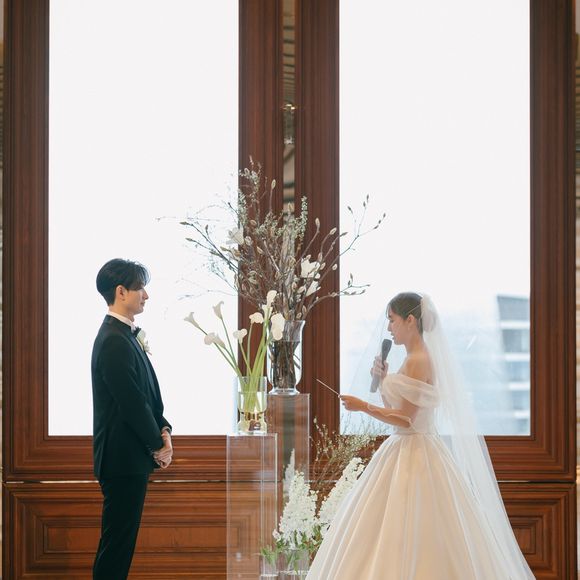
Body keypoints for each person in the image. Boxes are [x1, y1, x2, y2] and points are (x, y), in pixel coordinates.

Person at [306, 292, 535, 579]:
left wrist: (363, 406)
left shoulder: (419, 360)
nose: (389, 328)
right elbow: (399, 411)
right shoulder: (411, 358)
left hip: (414, 452)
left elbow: (406, 419)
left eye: (392, 320)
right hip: (404, 446)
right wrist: (385, 379)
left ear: (410, 320)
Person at [91, 259, 173, 580]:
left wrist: (164, 428)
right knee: (116, 548)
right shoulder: (113, 340)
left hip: (128, 459)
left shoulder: (124, 336)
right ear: (121, 292)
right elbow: (131, 402)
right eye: (140, 288)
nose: (146, 295)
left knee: (120, 547)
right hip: (121, 460)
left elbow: (146, 393)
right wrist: (158, 445)